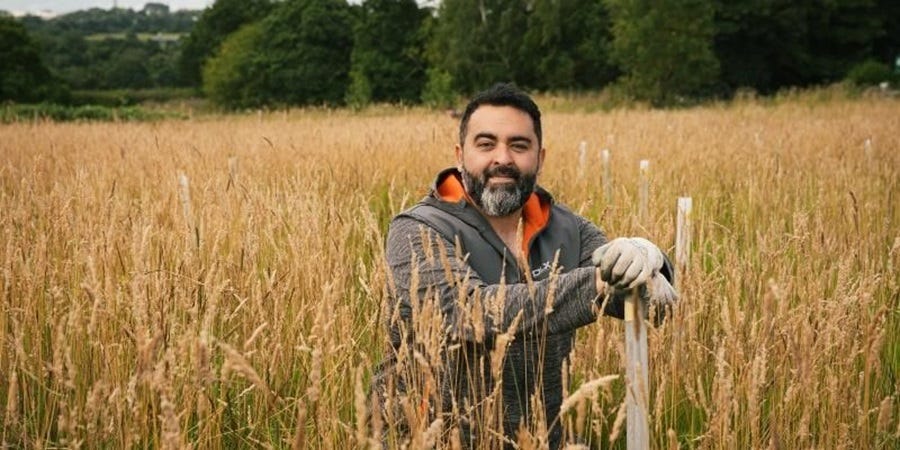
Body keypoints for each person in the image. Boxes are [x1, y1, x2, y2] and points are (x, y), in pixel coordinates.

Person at [373, 83, 677, 449]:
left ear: (540, 157)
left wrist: (650, 264)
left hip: (541, 439)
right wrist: (595, 284)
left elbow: (627, 293)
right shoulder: (419, 229)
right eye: (486, 144)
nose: (503, 158)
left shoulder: (568, 228)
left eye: (519, 145)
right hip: (434, 439)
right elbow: (467, 312)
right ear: (460, 154)